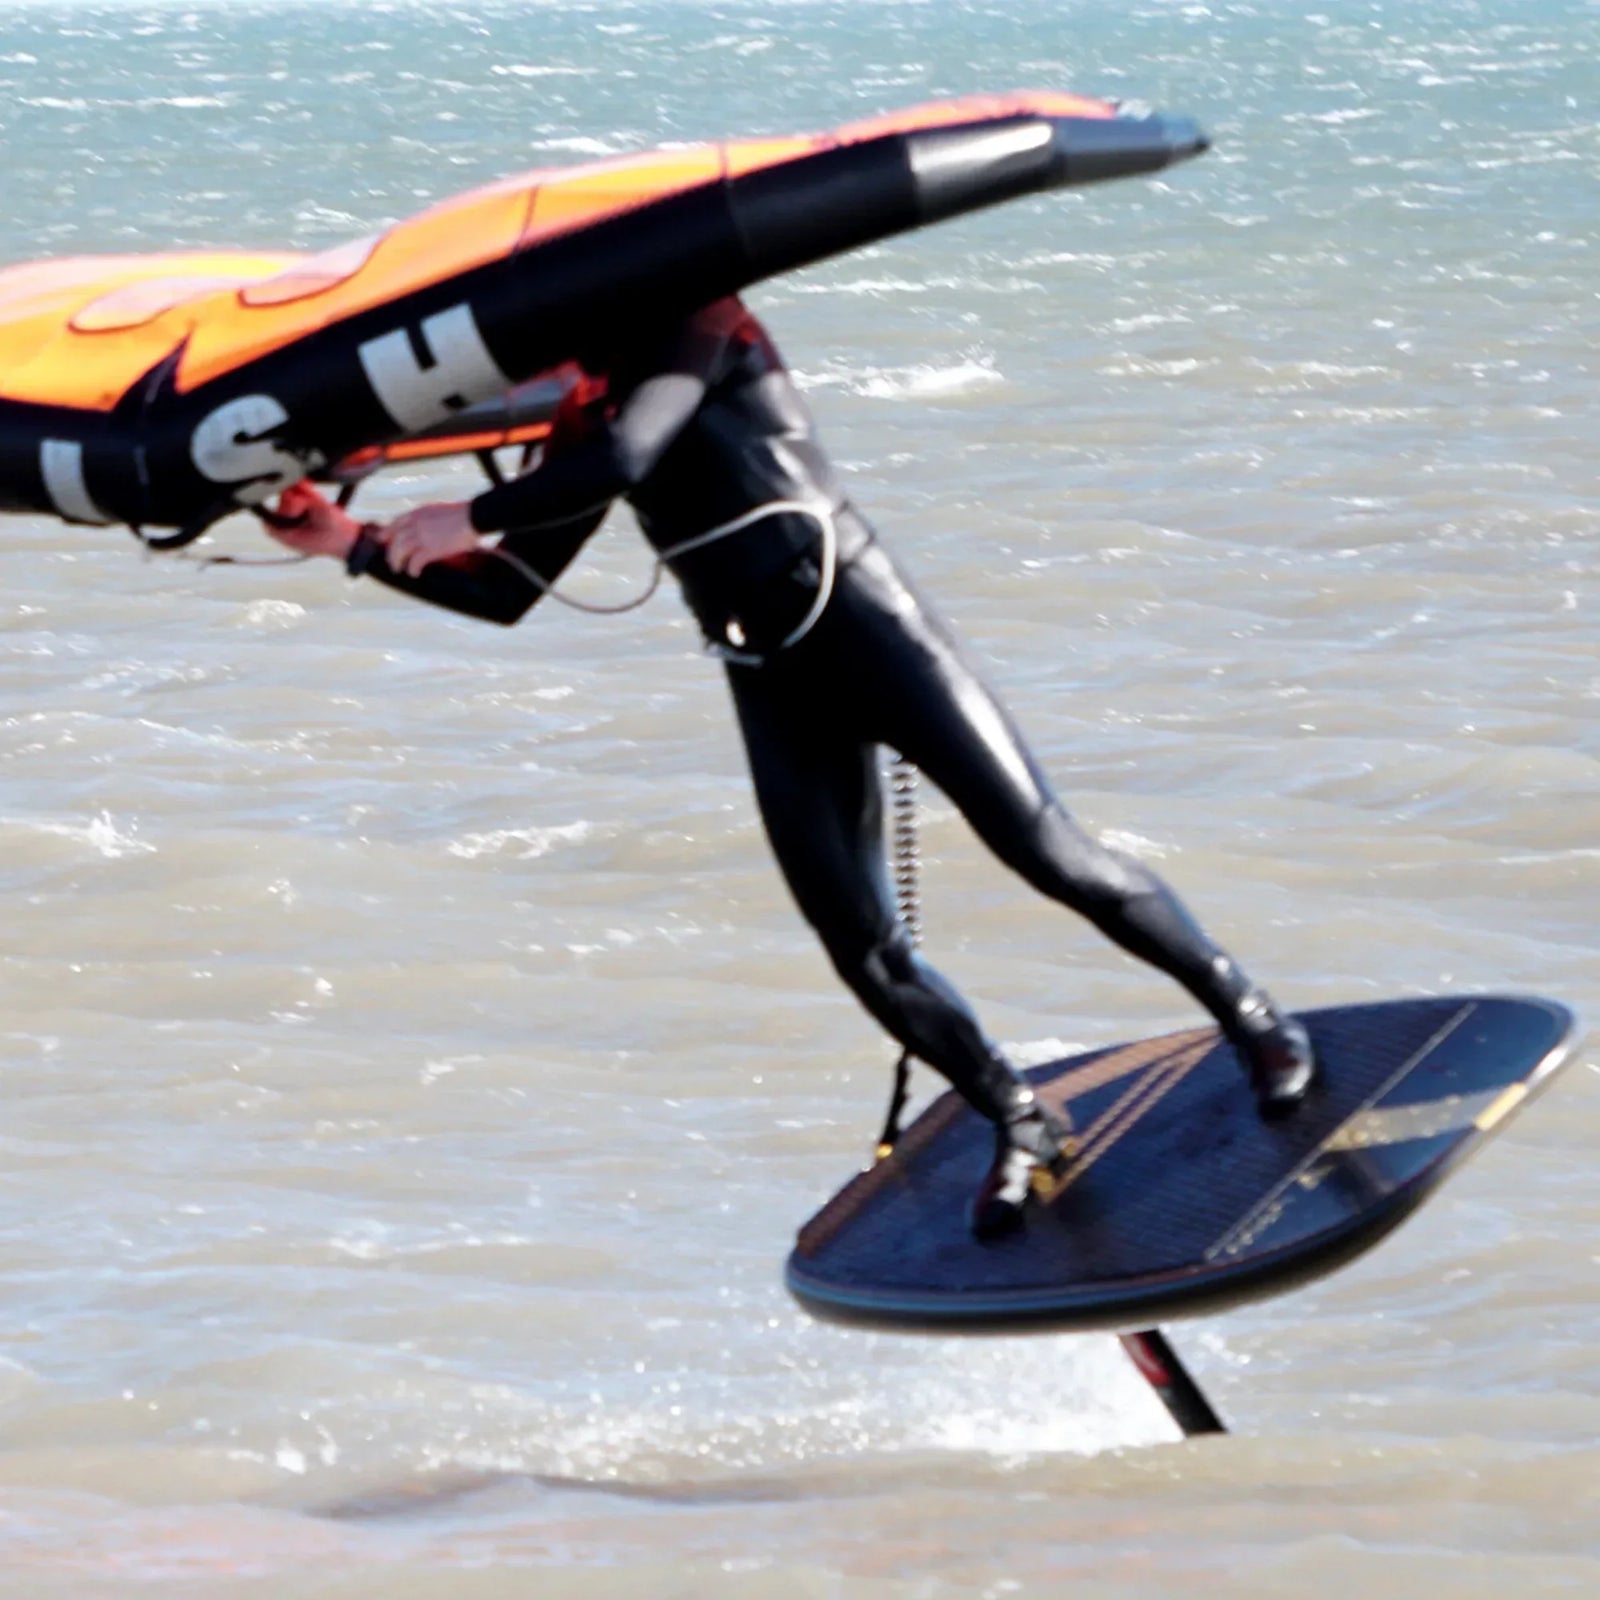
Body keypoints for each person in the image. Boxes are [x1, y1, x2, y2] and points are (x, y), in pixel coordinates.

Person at [266, 297, 1316, 1239]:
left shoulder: (699, 325)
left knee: (1044, 851)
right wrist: (347, 542)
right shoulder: (578, 415)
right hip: (766, 671)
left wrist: (472, 509)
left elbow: (635, 455)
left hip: (870, 626)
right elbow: (508, 590)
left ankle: (1252, 1018)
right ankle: (1018, 1116)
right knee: (857, 943)